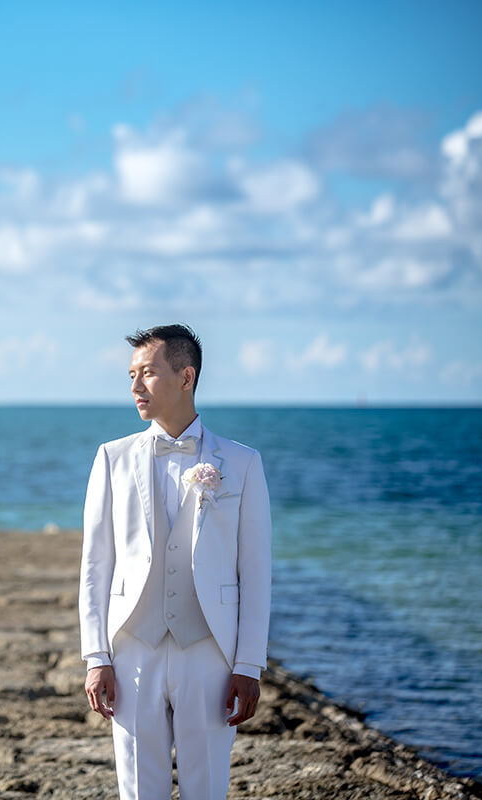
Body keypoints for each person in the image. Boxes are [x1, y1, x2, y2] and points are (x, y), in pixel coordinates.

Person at [78, 325, 272, 800]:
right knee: (139, 789)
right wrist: (96, 656)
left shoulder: (242, 463)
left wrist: (249, 663)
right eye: (130, 375)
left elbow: (256, 571)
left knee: (207, 786)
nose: (135, 386)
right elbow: (95, 564)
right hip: (133, 648)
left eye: (147, 373)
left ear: (186, 377)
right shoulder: (111, 458)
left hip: (209, 648)